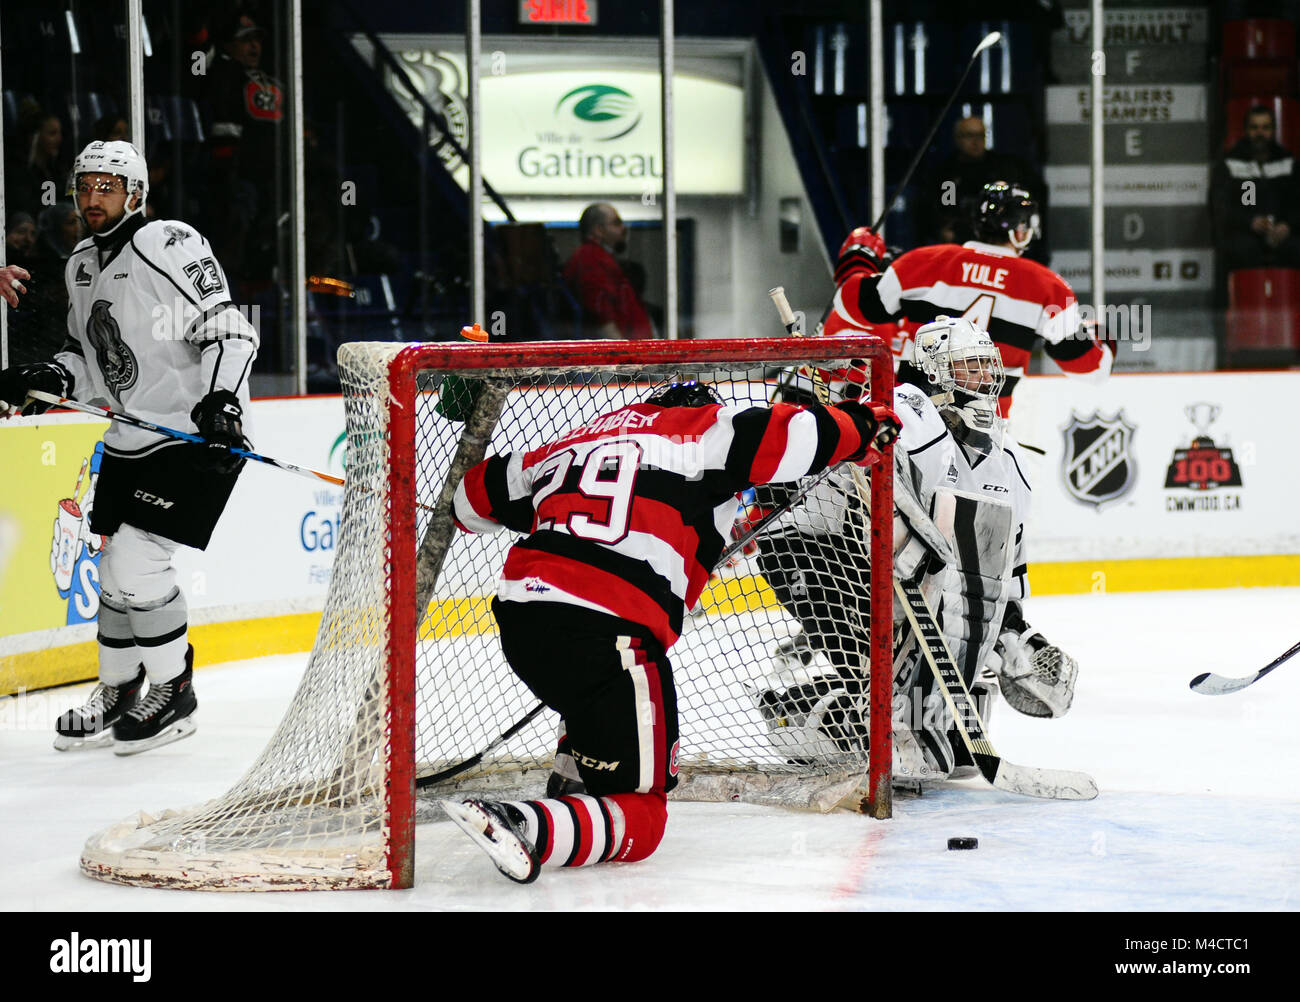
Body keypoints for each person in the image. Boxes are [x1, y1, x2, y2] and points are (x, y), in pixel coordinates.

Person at [441, 381, 901, 882]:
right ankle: (522, 822)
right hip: (610, 628)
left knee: (590, 707)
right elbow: (794, 435)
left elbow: (468, 503)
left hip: (521, 619)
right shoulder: (702, 433)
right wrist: (866, 424)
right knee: (645, 816)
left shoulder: (571, 443)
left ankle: (573, 799)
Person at [0, 140, 259, 755]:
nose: (92, 198)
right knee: (113, 571)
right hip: (130, 436)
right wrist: (54, 378)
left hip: (194, 435)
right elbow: (88, 361)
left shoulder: (167, 242)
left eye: (106, 187)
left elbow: (231, 328)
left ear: (135, 194)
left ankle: (175, 691)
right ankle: (117, 687)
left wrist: (222, 403)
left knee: (138, 565)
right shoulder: (80, 264)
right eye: (84, 186)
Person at [749, 316, 1078, 784]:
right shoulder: (906, 408)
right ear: (934, 369)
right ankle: (801, 718)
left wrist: (1016, 638)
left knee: (955, 707)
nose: (984, 379)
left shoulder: (1010, 461)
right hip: (814, 551)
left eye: (988, 367)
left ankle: (899, 723)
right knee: (883, 666)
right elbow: (862, 491)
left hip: (892, 566)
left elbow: (1003, 566)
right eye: (968, 367)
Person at [840, 183, 1112, 418]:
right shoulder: (1048, 287)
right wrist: (1101, 338)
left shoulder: (922, 261)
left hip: (912, 420)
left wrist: (859, 256)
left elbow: (852, 303)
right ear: (1021, 231)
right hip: (987, 433)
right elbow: (1091, 371)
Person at [204, 12, 285, 282]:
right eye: (245, 40)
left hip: (274, 175)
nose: (254, 47)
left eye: (256, 40)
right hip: (241, 176)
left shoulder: (269, 79)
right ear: (227, 45)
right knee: (239, 230)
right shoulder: (222, 75)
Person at [917, 116, 1050, 264]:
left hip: (1001, 240)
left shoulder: (1005, 167)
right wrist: (947, 230)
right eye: (969, 136)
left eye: (980, 135)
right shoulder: (949, 174)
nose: (976, 141)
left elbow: (1032, 197)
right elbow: (946, 209)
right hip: (964, 242)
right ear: (957, 139)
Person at [1211, 104, 1300, 270]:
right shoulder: (1231, 163)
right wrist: (1250, 222)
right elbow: (1220, 206)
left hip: (1284, 235)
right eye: (1254, 127)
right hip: (1244, 235)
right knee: (1242, 250)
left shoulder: (1288, 162)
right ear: (1246, 130)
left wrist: (1287, 226)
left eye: (1266, 127)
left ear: (1273, 130)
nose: (1260, 133)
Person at [562, 203, 653, 339]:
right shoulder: (590, 259)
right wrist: (620, 354)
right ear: (598, 230)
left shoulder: (599, 258)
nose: (623, 229)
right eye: (616, 223)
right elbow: (602, 317)